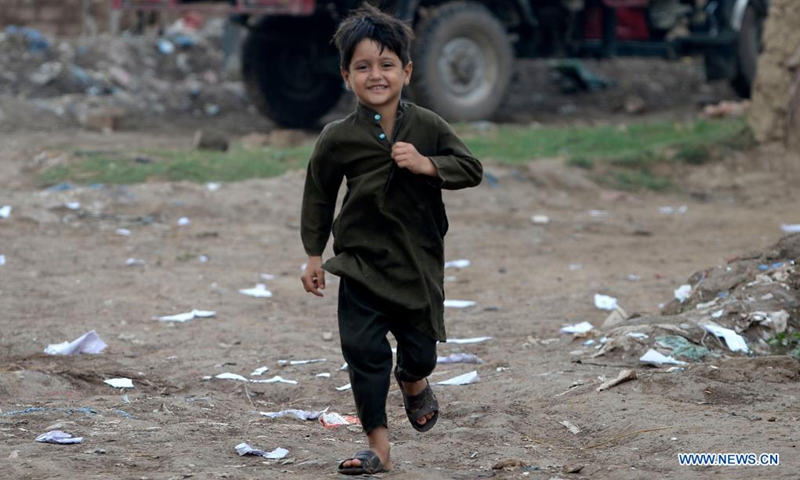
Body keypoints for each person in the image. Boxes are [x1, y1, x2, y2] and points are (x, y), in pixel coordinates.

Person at [300, 3, 483, 475]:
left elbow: (471, 169)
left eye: (385, 65)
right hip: (360, 264)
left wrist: (427, 164)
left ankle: (414, 378)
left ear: (406, 70)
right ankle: (378, 448)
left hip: (417, 264)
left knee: (419, 351)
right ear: (346, 76)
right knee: (362, 352)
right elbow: (319, 194)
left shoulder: (427, 126)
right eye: (362, 67)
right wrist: (313, 254)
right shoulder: (338, 137)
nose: (375, 75)